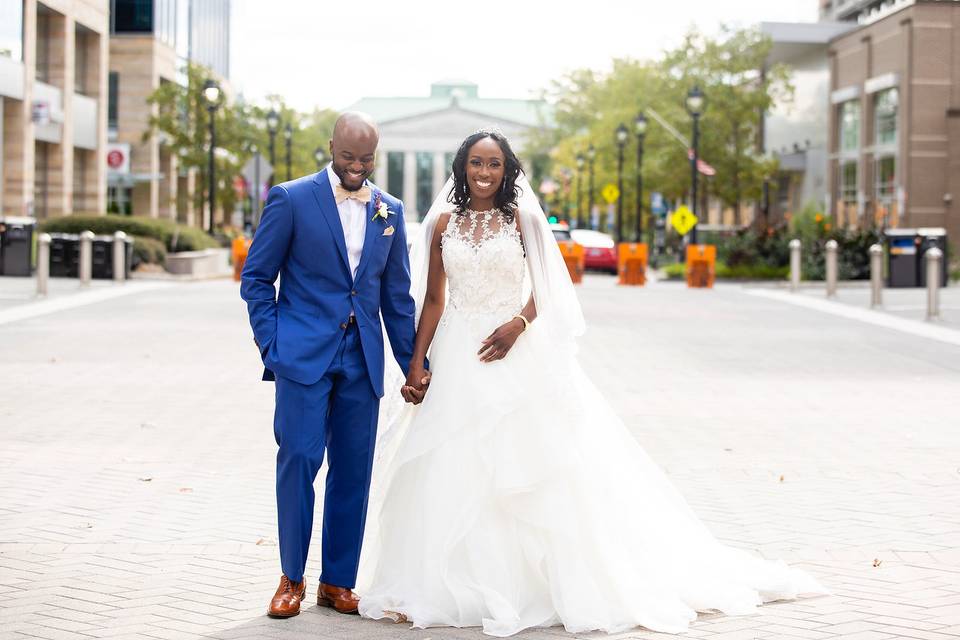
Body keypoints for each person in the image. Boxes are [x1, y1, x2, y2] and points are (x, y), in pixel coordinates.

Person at [356, 130, 827, 636]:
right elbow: (432, 300)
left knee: (528, 465)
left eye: (494, 164)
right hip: (456, 353)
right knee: (448, 465)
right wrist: (416, 363)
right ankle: (443, 585)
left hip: (511, 350)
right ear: (462, 166)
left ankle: (531, 584)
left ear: (507, 168)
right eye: (476, 163)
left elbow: (550, 288)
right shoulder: (445, 223)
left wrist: (519, 323)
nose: (485, 173)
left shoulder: (525, 220)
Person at [240, 112, 430, 619]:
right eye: (349, 156)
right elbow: (256, 279)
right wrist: (272, 346)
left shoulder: (388, 209)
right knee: (299, 460)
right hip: (302, 357)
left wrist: (416, 363)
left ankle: (337, 580)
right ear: (331, 148)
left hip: (361, 360)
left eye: (367, 158)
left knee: (353, 471)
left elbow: (396, 299)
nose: (357, 167)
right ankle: (291, 578)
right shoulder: (291, 198)